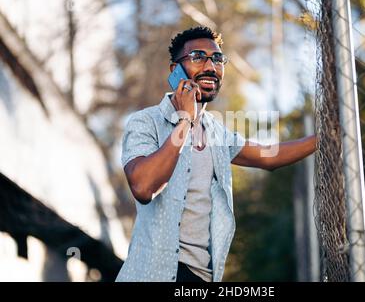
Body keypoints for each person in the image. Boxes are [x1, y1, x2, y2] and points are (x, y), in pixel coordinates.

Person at [116, 26, 316, 282]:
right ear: (174, 70)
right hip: (153, 274)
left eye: (217, 59)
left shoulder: (217, 133)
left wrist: (325, 140)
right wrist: (184, 121)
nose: (210, 66)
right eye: (198, 57)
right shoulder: (145, 122)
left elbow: (270, 157)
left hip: (203, 278)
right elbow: (144, 187)